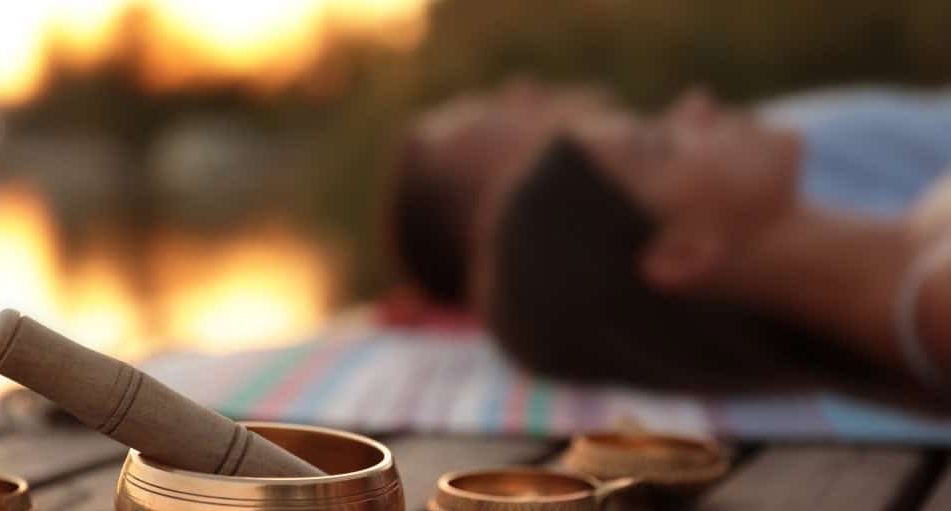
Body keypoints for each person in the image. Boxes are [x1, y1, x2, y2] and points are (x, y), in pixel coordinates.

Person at [384, 80, 951, 395]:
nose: (700, 103)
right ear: (683, 252)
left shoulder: (925, 234)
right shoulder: (937, 303)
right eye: (661, 142)